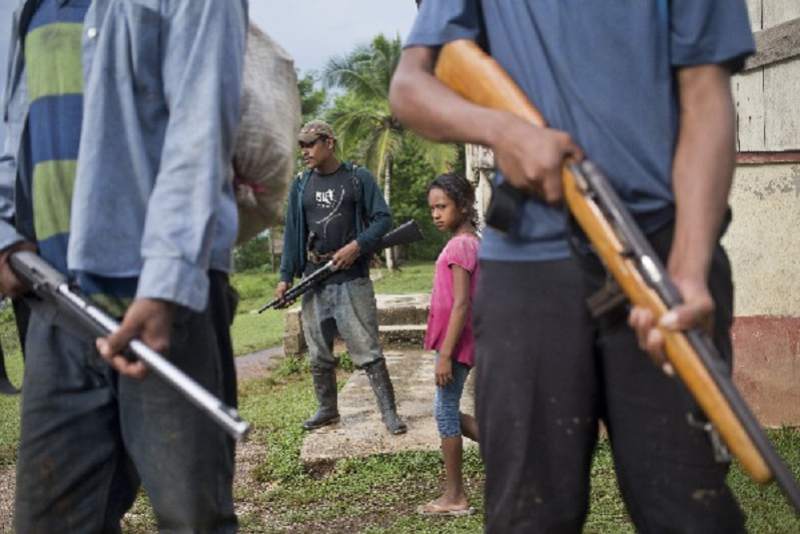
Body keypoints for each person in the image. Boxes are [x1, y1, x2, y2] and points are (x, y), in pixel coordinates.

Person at [390, 2, 755, 533]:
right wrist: (504, 130)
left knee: (690, 506)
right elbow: (410, 86)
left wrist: (690, 269)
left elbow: (706, 92)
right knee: (527, 513)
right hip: (527, 266)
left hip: (663, 251)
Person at [0, 1, 247, 531]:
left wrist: (163, 285)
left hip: (165, 300)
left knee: (191, 517)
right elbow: (9, 126)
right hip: (54, 301)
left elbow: (199, 130)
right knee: (50, 520)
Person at [275, 120, 407, 435]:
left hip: (352, 278)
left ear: (329, 143)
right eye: (302, 146)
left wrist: (357, 246)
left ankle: (389, 413)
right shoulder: (301, 184)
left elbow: (383, 219)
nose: (305, 151)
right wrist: (284, 278)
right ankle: (327, 409)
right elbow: (293, 233)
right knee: (318, 350)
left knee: (367, 349)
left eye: (310, 144)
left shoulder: (357, 178)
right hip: (314, 277)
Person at [418, 173, 480, 516]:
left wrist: (445, 355)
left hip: (455, 346)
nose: (436, 214)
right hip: (458, 343)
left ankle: (455, 496)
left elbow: (461, 304)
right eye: (432, 209)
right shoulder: (469, 241)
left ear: (464, 205)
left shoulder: (460, 245)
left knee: (444, 412)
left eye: (442, 206)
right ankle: (514, 449)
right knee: (446, 412)